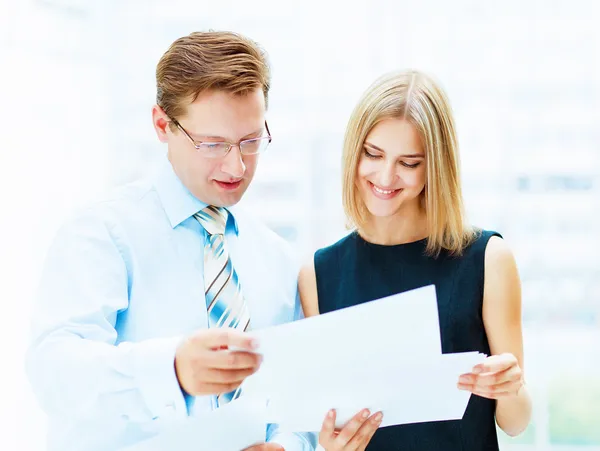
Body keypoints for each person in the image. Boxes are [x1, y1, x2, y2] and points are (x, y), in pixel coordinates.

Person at [26, 31, 316, 451]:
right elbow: (54, 374)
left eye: (251, 141)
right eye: (213, 144)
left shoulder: (277, 257)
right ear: (163, 125)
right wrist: (171, 370)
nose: (237, 165)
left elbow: (293, 397)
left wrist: (290, 445)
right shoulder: (103, 232)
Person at [299, 70, 532, 450]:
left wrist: (508, 387)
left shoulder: (487, 258)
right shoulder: (318, 275)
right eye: (373, 154)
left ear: (435, 167)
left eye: (409, 163)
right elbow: (324, 418)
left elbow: (516, 422)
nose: (386, 176)